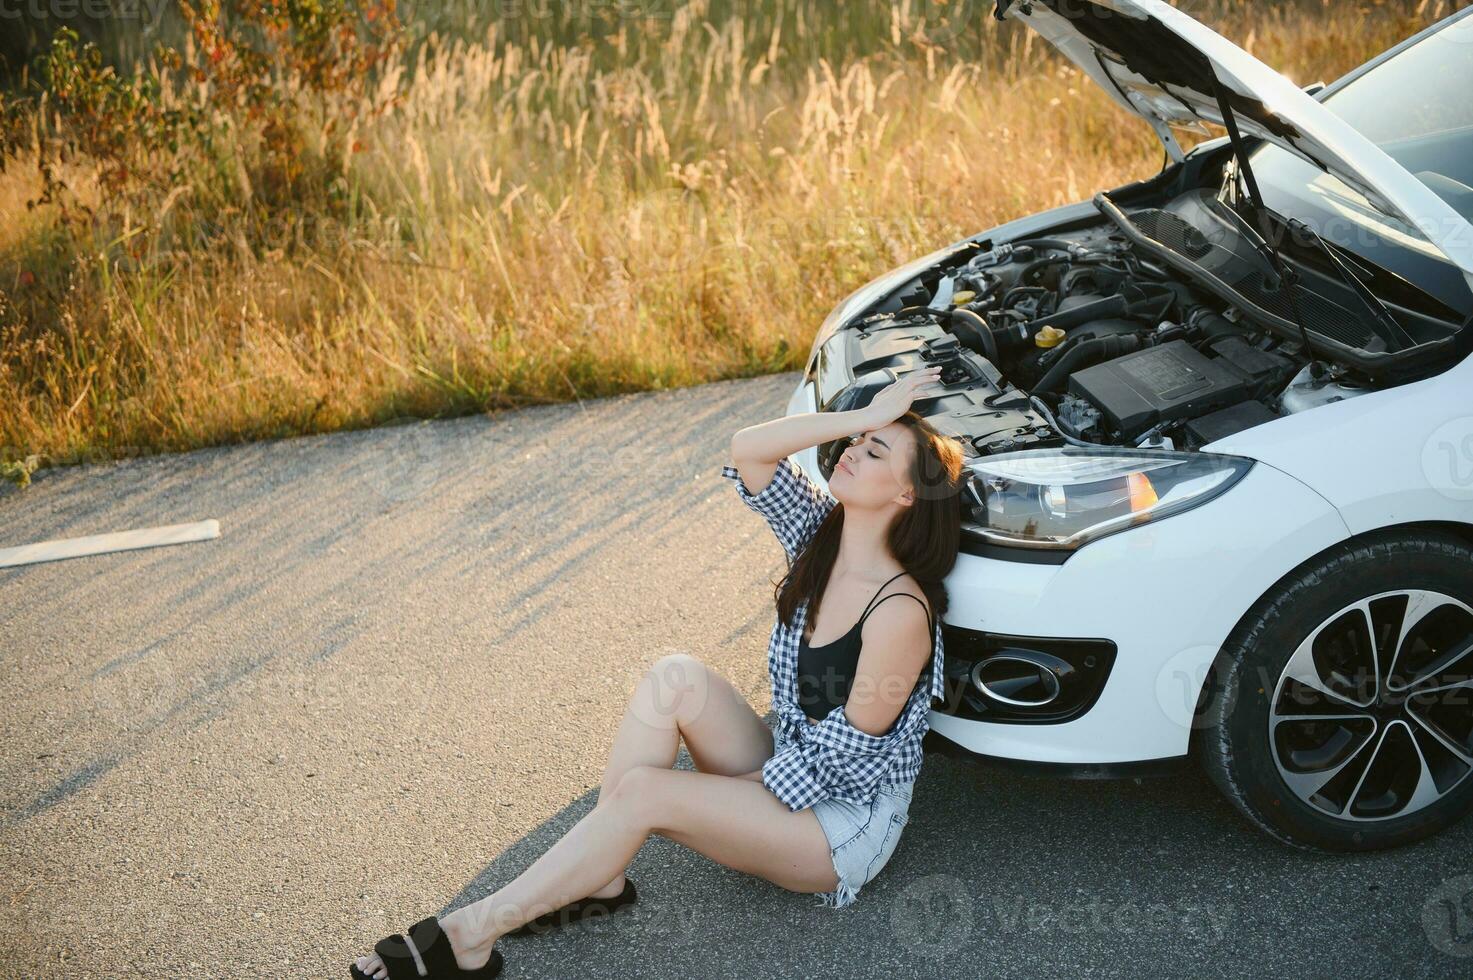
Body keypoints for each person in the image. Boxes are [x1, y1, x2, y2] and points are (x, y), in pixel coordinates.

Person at [349, 365, 964, 979]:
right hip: (791, 763)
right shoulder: (819, 539)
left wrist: (693, 799)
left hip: (840, 827)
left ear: (907, 494)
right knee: (674, 677)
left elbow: (839, 768)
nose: (853, 451)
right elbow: (749, 450)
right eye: (857, 441)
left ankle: (469, 936)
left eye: (875, 449)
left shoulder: (899, 613)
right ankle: (601, 876)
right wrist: (863, 416)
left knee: (645, 795)